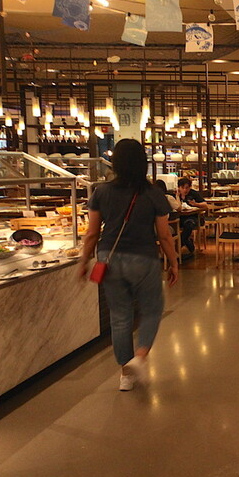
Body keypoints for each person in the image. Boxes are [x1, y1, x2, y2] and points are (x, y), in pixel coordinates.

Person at [78, 139, 178, 392]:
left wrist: (84, 261)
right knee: (152, 309)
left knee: (120, 316)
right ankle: (140, 357)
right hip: (143, 257)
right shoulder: (154, 193)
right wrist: (174, 262)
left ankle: (126, 373)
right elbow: (164, 235)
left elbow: (92, 233)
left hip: (109, 258)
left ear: (116, 163)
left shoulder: (101, 192)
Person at [176, 177, 208, 255]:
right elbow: (176, 207)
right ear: (179, 188)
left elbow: (205, 205)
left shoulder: (193, 193)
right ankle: (187, 244)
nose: (185, 190)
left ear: (190, 187)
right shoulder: (175, 195)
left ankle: (177, 247)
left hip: (193, 217)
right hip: (180, 218)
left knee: (189, 225)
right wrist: (177, 196)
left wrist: (195, 204)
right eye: (182, 188)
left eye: (187, 188)